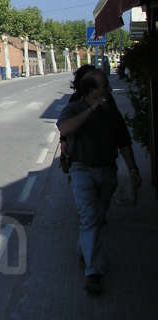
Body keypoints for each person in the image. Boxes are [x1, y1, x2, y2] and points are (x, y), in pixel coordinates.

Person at [57, 68, 142, 295]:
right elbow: (64, 128)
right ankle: (93, 272)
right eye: (104, 85)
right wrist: (92, 110)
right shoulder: (74, 108)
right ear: (91, 91)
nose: (108, 89)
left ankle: (86, 251)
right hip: (81, 169)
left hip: (107, 170)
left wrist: (133, 168)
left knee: (98, 216)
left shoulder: (112, 111)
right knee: (89, 218)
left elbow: (123, 142)